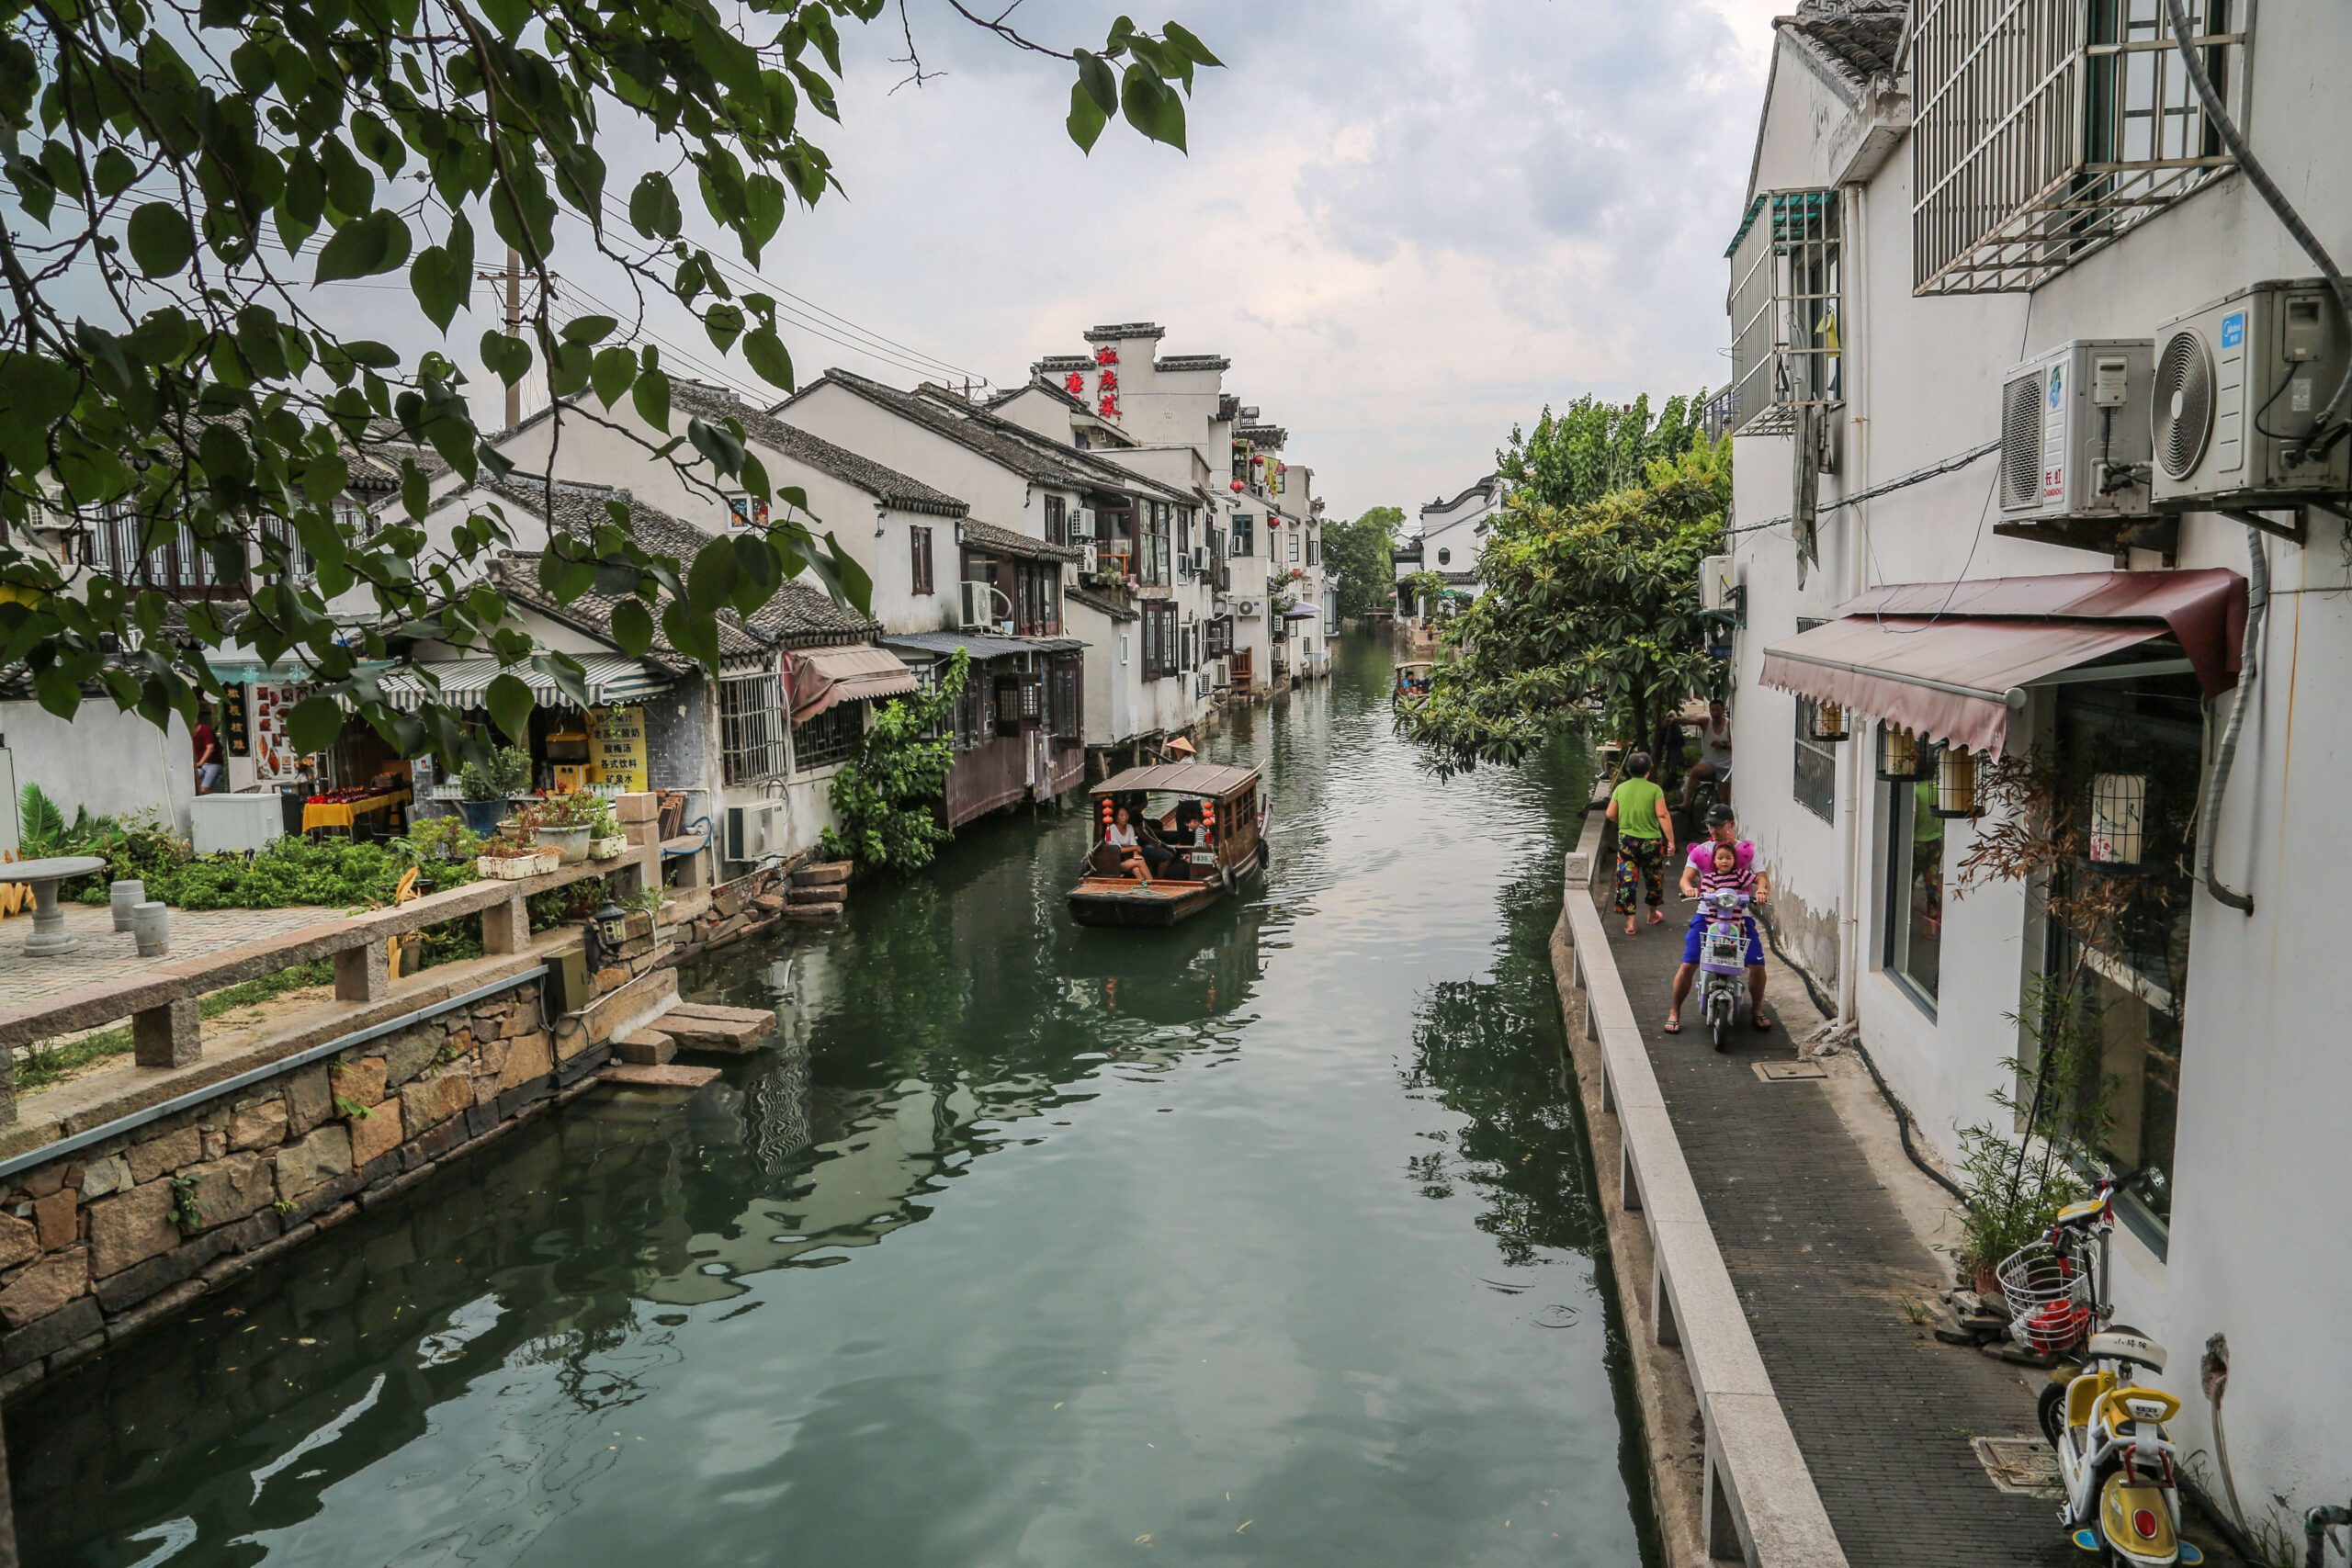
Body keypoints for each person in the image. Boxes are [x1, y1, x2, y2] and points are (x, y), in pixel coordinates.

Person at [1666, 804, 1771, 1034]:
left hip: (1739, 915)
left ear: (1731, 824)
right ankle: (1674, 1011)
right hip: (1707, 913)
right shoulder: (1701, 851)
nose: (1713, 829)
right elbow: (1685, 879)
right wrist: (1690, 889)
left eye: (1718, 825)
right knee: (1689, 962)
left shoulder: (1746, 852)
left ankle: (1757, 1008)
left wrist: (1762, 891)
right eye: (1710, 825)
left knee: (1757, 964)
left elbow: (1761, 878)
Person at [1605, 751, 1676, 936]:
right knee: (1654, 877)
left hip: (1627, 840)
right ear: (1648, 770)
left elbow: (1610, 814)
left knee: (1627, 878)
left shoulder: (1621, 789)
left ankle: (1630, 923)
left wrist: (1624, 823)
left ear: (1630, 770)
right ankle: (1652, 915)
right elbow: (1663, 815)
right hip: (1651, 841)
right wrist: (1671, 840)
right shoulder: (1655, 790)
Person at [1103, 806, 1151, 886]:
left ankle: (1146, 887)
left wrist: (1135, 854)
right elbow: (1117, 850)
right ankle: (1153, 884)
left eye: (1126, 815)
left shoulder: (1130, 827)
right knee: (1140, 862)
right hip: (1116, 863)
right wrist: (1135, 848)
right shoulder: (1110, 830)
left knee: (1136, 869)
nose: (1124, 818)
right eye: (1121, 815)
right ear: (1116, 817)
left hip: (1128, 861)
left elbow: (1133, 842)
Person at [1697, 699, 1733, 802]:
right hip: (1711, 765)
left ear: (1723, 710)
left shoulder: (1729, 725)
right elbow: (1690, 721)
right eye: (1712, 710)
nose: (1715, 713)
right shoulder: (1707, 722)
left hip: (1726, 767)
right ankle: (1686, 803)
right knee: (1695, 772)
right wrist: (1673, 720)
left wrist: (1722, 745)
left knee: (1724, 798)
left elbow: (1737, 745)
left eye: (1717, 710)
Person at [192, 713, 222, 794]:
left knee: (203, 789)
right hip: (201, 766)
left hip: (213, 763)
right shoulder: (191, 735)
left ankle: (220, 799)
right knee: (189, 783)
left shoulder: (205, 730)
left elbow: (210, 748)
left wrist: (200, 763)